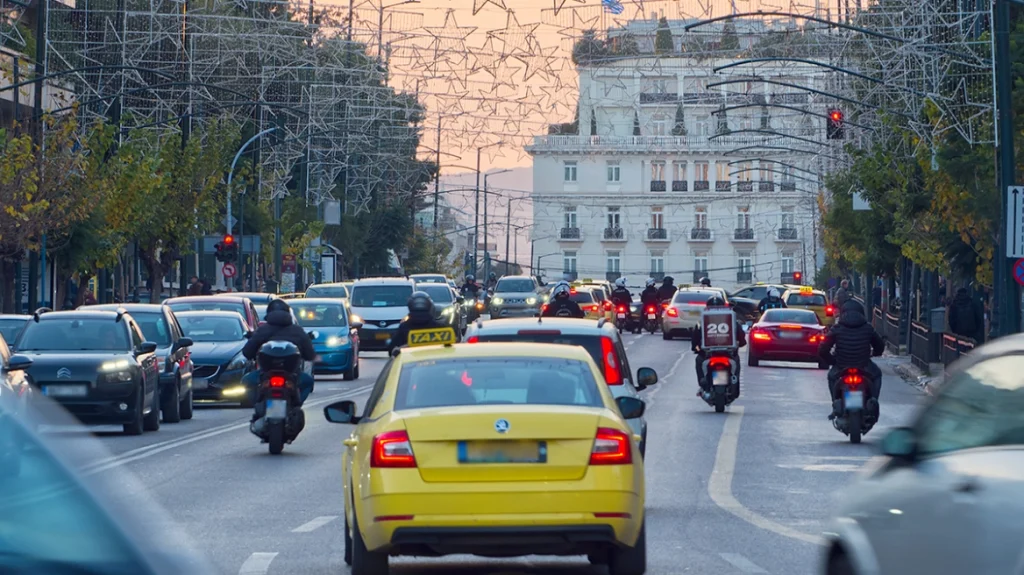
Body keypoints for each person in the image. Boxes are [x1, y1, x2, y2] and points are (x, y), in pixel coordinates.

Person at [818, 299, 884, 419]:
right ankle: (873, 401)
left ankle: (835, 404)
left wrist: (832, 361)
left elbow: (823, 348)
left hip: (841, 366)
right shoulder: (867, 328)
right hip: (864, 366)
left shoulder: (837, 328)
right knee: (877, 375)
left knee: (831, 377)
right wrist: (876, 353)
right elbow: (879, 345)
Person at [242, 299, 317, 405]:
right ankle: (296, 404)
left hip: (265, 375)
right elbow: (310, 355)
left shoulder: (262, 330)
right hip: (292, 375)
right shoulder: (297, 331)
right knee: (308, 382)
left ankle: (258, 403)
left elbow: (247, 352)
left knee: (246, 381)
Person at [691, 295, 746, 394]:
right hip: (727, 353)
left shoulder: (703, 321)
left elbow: (695, 337)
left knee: (699, 360)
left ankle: (703, 383)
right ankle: (734, 380)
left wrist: (695, 348)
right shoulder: (731, 320)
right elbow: (740, 335)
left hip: (711, 354)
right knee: (736, 360)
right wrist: (741, 343)